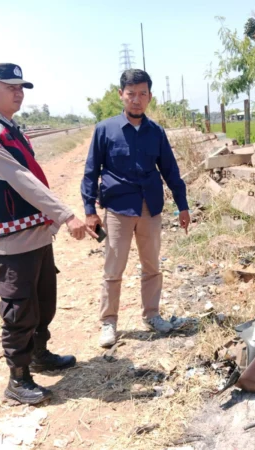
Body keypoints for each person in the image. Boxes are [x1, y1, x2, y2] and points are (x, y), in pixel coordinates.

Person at [0, 63, 96, 405]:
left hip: (35, 234)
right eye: (11, 87)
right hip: (11, 241)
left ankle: (40, 354)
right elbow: (19, 177)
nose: (19, 92)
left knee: (43, 300)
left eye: (21, 87)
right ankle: (17, 379)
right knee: (19, 308)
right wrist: (65, 215)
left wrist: (51, 221)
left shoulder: (11, 129)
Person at [81, 69, 190, 347]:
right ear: (121, 95)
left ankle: (152, 315)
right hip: (118, 209)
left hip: (150, 208)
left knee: (151, 265)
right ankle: (109, 322)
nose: (136, 100)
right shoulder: (105, 130)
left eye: (142, 94)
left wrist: (183, 206)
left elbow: (171, 171)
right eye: (131, 94)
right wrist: (89, 211)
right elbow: (91, 172)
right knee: (113, 267)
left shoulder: (156, 132)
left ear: (150, 97)